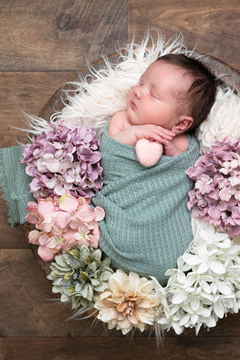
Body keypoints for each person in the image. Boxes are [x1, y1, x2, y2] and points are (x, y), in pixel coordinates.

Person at [92, 54, 217, 284]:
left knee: (172, 250)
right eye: (141, 82)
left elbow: (188, 169)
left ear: (180, 124)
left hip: (164, 231)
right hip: (124, 219)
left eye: (154, 94)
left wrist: (171, 152)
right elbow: (108, 155)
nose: (138, 92)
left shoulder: (182, 141)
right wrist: (135, 134)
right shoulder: (123, 120)